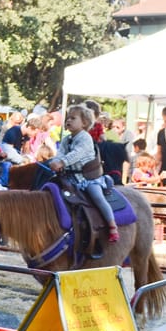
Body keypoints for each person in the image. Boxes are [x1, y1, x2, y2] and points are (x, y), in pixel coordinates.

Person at [46, 104, 119, 243]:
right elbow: (60, 152)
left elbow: (77, 153)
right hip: (70, 177)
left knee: (96, 196)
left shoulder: (85, 138)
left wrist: (62, 162)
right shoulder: (66, 139)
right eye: (68, 117)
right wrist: (55, 161)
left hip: (87, 178)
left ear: (84, 123)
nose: (68, 120)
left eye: (73, 118)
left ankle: (112, 225)